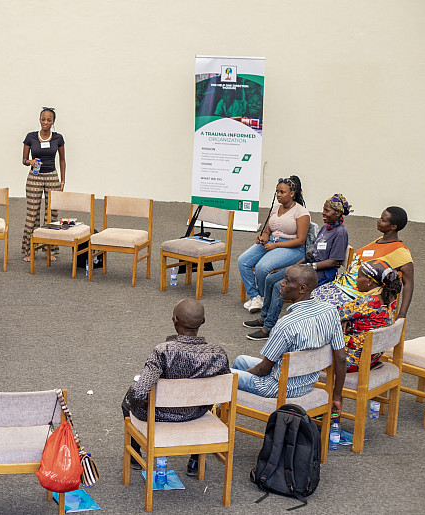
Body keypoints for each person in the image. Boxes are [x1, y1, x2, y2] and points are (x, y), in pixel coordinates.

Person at [121, 299, 230, 476]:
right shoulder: (218, 354)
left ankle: (135, 456)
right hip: (197, 412)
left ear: (174, 320)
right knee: (206, 395)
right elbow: (222, 387)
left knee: (129, 399)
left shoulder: (163, 351)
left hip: (160, 414)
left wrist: (134, 399)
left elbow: (141, 392)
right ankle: (194, 461)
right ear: (203, 321)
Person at [231, 265, 346, 414]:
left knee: (224, 375)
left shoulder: (286, 324)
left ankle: (220, 416)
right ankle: (224, 411)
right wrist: (336, 396)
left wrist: (240, 377)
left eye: (287, 281)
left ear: (302, 288)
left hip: (277, 388)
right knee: (240, 359)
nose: (281, 283)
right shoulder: (330, 312)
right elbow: (341, 358)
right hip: (307, 383)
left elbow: (263, 369)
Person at [244, 194, 351, 340]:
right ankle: (263, 318)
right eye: (323, 210)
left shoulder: (340, 233)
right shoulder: (326, 228)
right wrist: (297, 266)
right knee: (271, 279)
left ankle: (268, 328)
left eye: (327, 211)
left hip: (321, 274)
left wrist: (309, 267)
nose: (323, 213)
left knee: (279, 286)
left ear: (338, 213)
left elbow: (334, 261)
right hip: (308, 267)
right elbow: (313, 252)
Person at [311, 206, 414, 319]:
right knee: (311, 298)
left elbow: (408, 284)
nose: (378, 220)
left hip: (357, 293)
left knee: (318, 311)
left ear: (393, 227)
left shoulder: (401, 252)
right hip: (343, 285)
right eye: (380, 217)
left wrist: (402, 314)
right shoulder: (378, 241)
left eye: (383, 220)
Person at [238, 176, 310, 313]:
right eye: (277, 191)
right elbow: (267, 231)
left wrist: (276, 246)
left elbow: (301, 240)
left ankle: (264, 298)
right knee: (243, 261)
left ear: (292, 193)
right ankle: (255, 297)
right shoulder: (276, 208)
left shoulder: (301, 212)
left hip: (293, 248)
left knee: (262, 267)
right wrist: (263, 238)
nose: (278, 195)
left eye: (282, 192)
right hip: (271, 243)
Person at [339, 260, 403, 372]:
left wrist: (346, 318)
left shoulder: (367, 302)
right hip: (372, 358)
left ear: (369, 281)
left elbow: (334, 314)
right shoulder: (391, 300)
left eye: (359, 277)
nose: (356, 280)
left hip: (351, 361)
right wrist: (349, 319)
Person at [21, 107, 66, 262]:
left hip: (52, 176)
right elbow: (24, 160)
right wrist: (30, 162)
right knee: (32, 214)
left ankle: (50, 249)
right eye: (43, 119)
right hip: (34, 177)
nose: (45, 122)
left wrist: (62, 181)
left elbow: (62, 160)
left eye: (49, 120)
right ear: (39, 119)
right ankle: (29, 249)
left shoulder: (58, 138)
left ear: (53, 121)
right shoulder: (31, 137)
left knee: (52, 214)